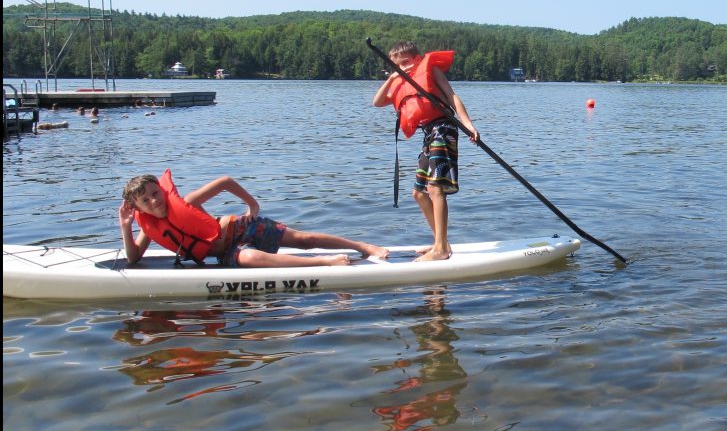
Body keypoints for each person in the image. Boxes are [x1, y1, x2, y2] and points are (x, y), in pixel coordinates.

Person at [119, 169, 389, 267]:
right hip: (229, 252)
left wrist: (253, 206)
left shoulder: (185, 202)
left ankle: (362, 246)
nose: (155, 200)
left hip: (243, 227)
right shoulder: (149, 227)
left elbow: (225, 181)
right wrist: (125, 227)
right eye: (146, 200)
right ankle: (325, 262)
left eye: (156, 193)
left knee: (304, 239)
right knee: (247, 258)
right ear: (139, 208)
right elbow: (132, 258)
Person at [372, 41, 480, 262]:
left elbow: (452, 97)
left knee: (434, 188)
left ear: (417, 58)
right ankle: (442, 243)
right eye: (397, 65)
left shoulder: (431, 70)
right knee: (419, 193)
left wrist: (468, 124)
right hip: (429, 133)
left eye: (406, 62)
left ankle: (440, 249)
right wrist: (393, 77)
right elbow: (377, 102)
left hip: (445, 127)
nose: (403, 68)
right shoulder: (400, 81)